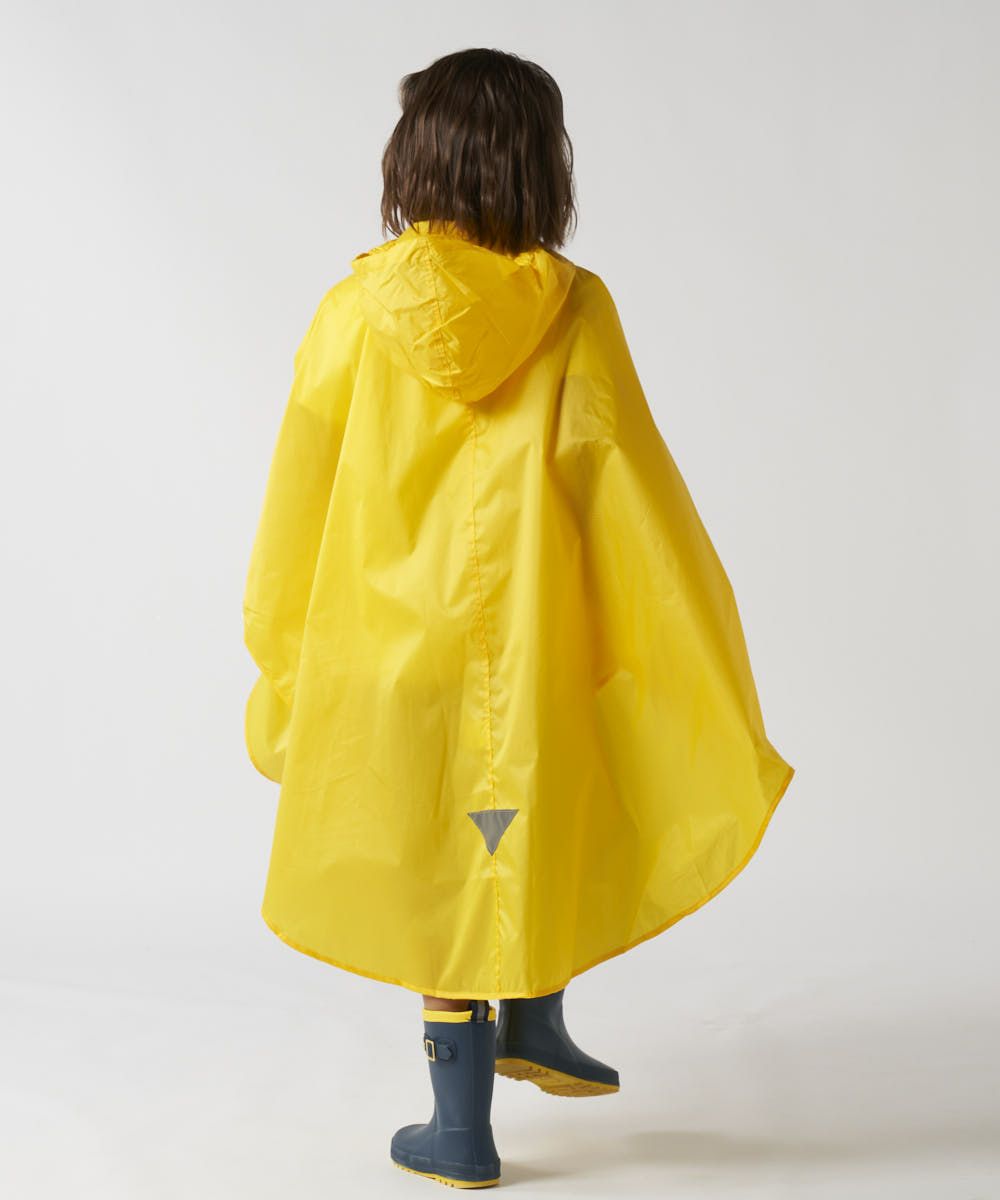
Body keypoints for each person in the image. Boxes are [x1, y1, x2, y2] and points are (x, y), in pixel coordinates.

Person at [242, 47, 795, 1191]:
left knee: (441, 864)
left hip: (386, 653)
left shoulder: (351, 314)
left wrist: (282, 647)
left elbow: (299, 491)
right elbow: (619, 478)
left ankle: (479, 1095)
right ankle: (507, 1056)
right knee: (529, 810)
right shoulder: (575, 308)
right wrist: (655, 626)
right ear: (541, 166)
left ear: (414, 158)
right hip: (528, 638)